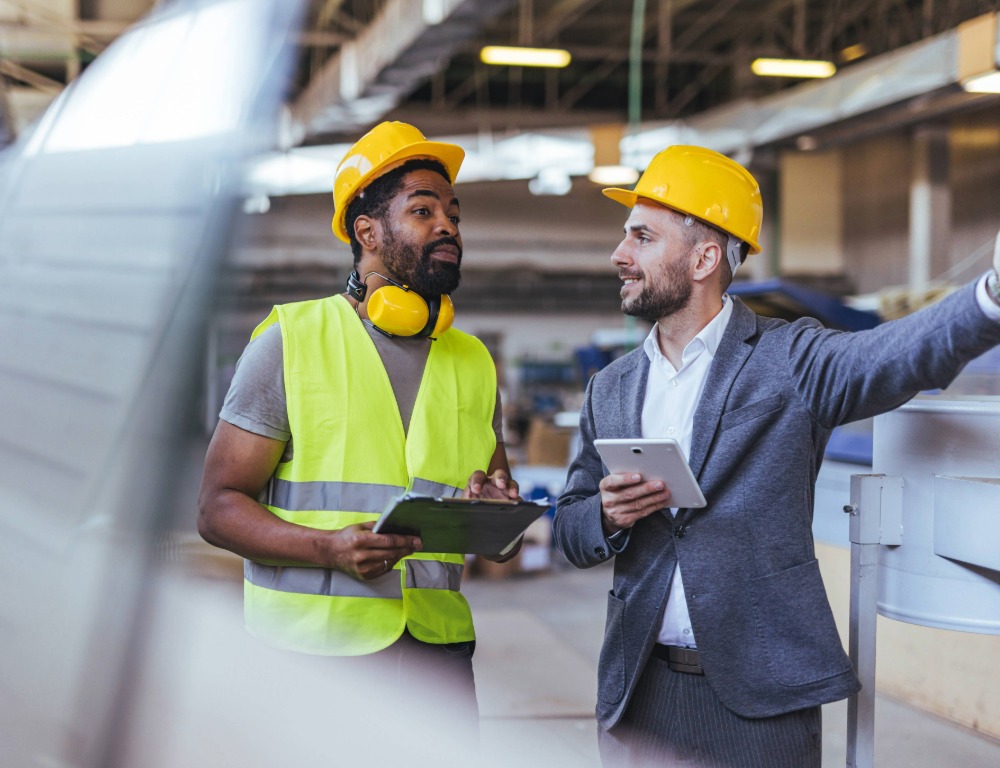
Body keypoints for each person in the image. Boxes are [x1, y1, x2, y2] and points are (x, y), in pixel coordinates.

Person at [552, 144, 1000, 767]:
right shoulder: (612, 386)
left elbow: (895, 353)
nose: (619, 255)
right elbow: (569, 529)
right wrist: (604, 515)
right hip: (640, 694)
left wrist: (991, 296)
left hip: (762, 702)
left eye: (642, 237)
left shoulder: (789, 359)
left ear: (704, 257)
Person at [198, 121, 519, 729]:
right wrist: (326, 549)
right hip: (312, 660)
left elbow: (498, 537)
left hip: (437, 656)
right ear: (366, 232)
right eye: (422, 210)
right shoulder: (291, 341)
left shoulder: (473, 360)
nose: (447, 225)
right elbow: (217, 508)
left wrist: (498, 511)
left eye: (453, 212)